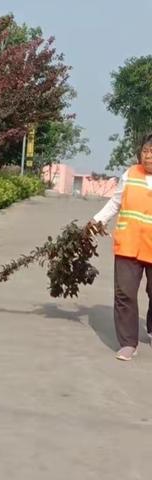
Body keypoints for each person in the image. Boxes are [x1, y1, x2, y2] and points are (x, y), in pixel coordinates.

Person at [89, 132, 152, 360]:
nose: (148, 156)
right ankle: (127, 342)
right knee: (124, 294)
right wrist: (96, 221)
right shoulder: (130, 175)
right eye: (145, 151)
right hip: (128, 246)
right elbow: (115, 202)